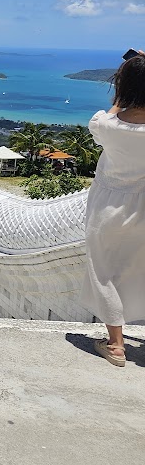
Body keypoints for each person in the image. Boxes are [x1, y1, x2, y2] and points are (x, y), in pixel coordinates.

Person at [80, 52, 145, 367]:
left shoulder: (106, 125)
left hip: (109, 210)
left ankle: (116, 346)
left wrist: (123, 94)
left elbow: (113, 113)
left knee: (104, 272)